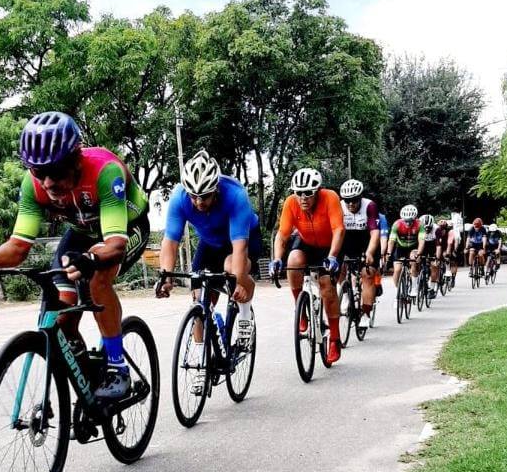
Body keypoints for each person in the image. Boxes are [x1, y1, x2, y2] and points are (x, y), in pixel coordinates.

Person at [0, 111, 150, 400]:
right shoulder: (33, 186)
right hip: (82, 234)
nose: (46, 182)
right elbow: (18, 246)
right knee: (62, 320)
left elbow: (114, 244)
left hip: (125, 229)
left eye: (54, 171)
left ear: (76, 158)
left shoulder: (104, 171)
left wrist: (92, 261)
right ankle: (86, 373)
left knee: (97, 280)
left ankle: (117, 367)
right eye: (37, 171)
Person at [156, 149, 260, 393]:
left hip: (242, 238)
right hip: (210, 243)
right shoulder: (180, 199)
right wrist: (166, 276)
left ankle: (244, 317)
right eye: (194, 196)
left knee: (233, 272)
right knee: (199, 301)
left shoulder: (235, 196)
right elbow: (170, 242)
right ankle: (202, 364)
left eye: (205, 196)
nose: (198, 202)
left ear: (216, 189)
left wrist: (240, 282)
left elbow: (239, 247)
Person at [269, 167, 345, 364]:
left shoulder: (330, 198)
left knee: (327, 287)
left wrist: (333, 257)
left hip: (330, 246)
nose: (303, 197)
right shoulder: (291, 203)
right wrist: (277, 258)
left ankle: (335, 339)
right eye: (298, 192)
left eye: (308, 193)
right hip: (306, 242)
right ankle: (300, 309)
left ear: (318, 191)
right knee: (292, 262)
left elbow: (338, 229)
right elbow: (282, 235)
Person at [338, 179, 380, 328]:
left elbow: (375, 233)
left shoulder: (370, 206)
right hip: (347, 240)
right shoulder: (339, 206)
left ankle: (366, 314)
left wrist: (369, 252)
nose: (350, 204)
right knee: (338, 267)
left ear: (360, 198)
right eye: (347, 200)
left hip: (366, 241)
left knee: (367, 274)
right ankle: (344, 295)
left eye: (354, 200)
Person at [385, 205, 424, 299]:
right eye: (406, 220)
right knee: (397, 270)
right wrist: (389, 253)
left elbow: (422, 241)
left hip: (413, 247)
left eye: (410, 221)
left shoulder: (419, 224)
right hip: (400, 247)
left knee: (413, 262)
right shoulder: (397, 224)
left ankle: (414, 287)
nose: (408, 223)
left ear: (414, 219)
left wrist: (419, 253)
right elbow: (391, 240)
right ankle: (397, 292)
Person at [418, 214, 439, 296]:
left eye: (429, 228)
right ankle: (420, 278)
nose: (427, 230)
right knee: (416, 261)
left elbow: (438, 246)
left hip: (433, 245)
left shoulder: (436, 229)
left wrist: (436, 257)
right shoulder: (418, 227)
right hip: (422, 244)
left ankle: (432, 288)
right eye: (425, 228)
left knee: (434, 265)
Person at [435, 219, 458, 286]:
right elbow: (437, 243)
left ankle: (453, 278)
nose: (442, 231)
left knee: (451, 260)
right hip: (441, 246)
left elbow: (449, 244)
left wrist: (448, 254)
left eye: (443, 230)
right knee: (438, 257)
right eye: (441, 229)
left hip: (450, 246)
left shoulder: (450, 232)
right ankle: (440, 274)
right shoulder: (437, 231)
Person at [374, 210, 389, 296]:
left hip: (376, 243)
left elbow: (383, 238)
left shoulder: (381, 217)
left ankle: (377, 283)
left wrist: (382, 253)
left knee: (376, 267)